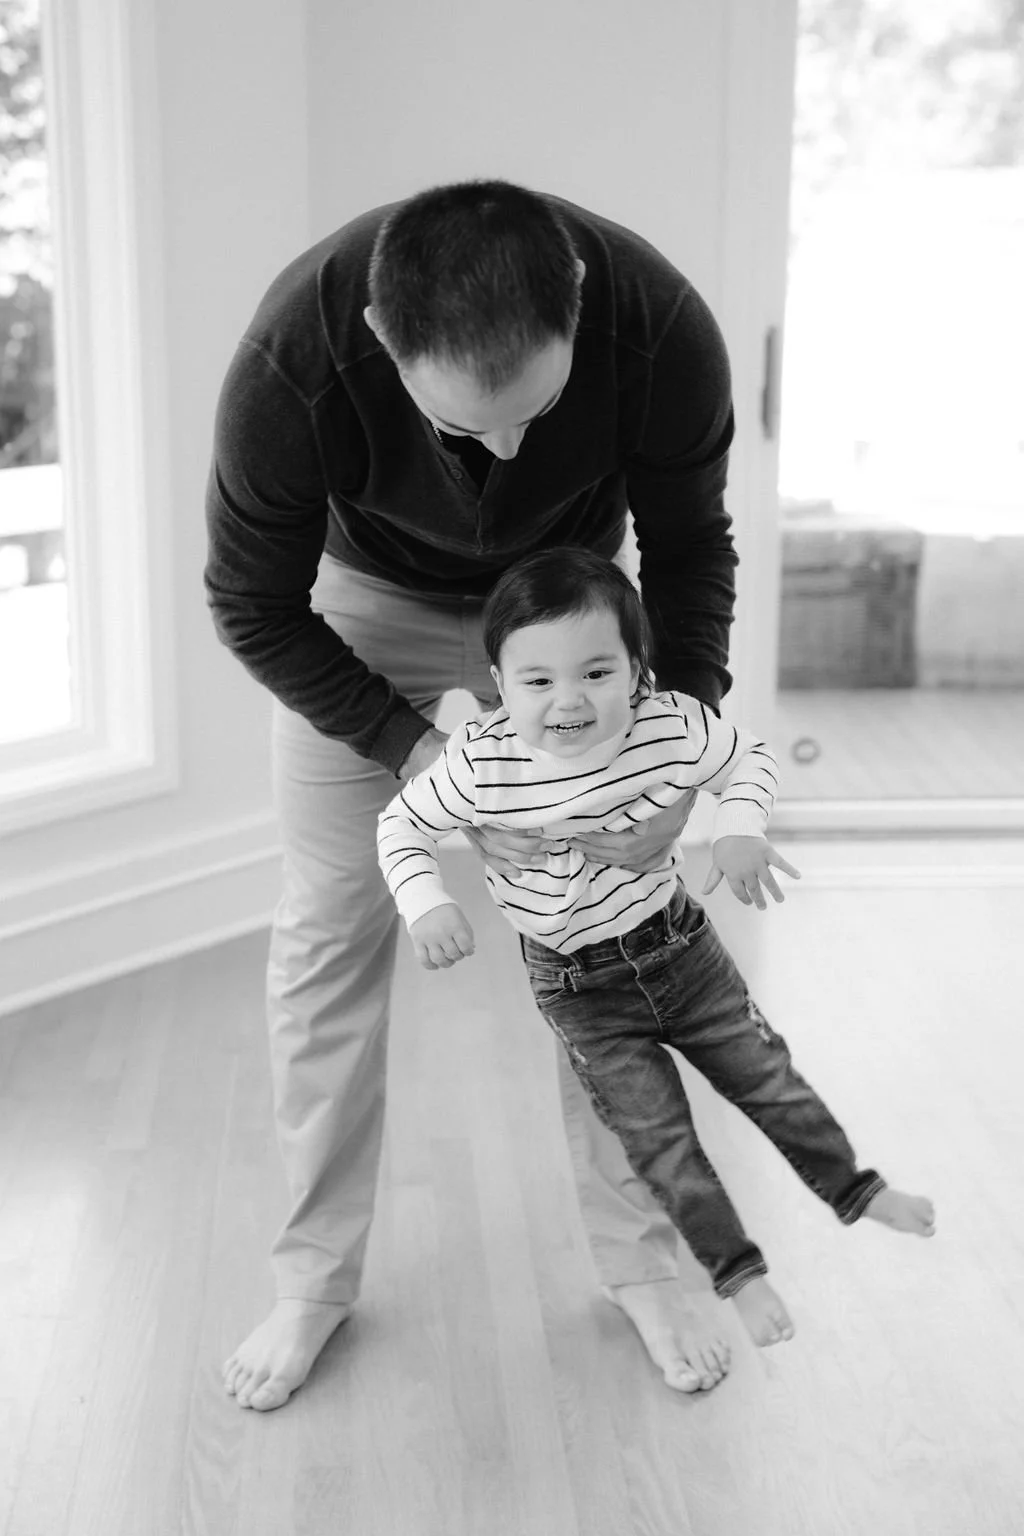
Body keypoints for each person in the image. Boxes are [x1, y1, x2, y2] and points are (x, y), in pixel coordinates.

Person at [207, 178, 742, 1411]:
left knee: (616, 936)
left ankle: (640, 1262)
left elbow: (689, 548)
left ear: (578, 308)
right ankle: (312, 1281)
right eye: (464, 425)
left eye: (534, 413)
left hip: (571, 610)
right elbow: (251, 602)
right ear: (380, 341)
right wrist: (414, 751)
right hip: (363, 613)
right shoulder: (294, 359)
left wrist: (672, 745)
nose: (503, 452)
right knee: (330, 928)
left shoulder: (658, 324)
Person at [378, 547, 936, 1347]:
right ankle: (738, 1277)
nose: (569, 700)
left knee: (769, 1081)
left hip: (680, 952)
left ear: (636, 670)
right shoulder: (480, 763)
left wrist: (737, 827)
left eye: (596, 672)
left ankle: (857, 1190)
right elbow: (401, 825)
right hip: (580, 991)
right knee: (662, 1143)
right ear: (501, 685)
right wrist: (425, 902)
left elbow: (749, 758)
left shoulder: (668, 724)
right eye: (538, 681)